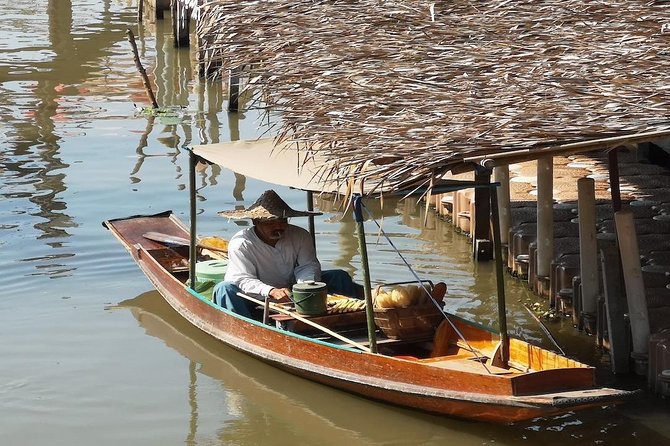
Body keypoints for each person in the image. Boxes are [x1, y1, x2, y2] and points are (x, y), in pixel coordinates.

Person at [213, 190, 361, 318]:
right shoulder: (241, 243)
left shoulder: (300, 236)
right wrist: (271, 291)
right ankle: (246, 330)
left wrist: (305, 288)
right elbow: (243, 279)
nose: (278, 226)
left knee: (339, 276)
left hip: (292, 290)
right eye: (271, 222)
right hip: (255, 297)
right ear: (256, 222)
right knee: (224, 289)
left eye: (282, 221)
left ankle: (357, 317)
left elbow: (308, 265)